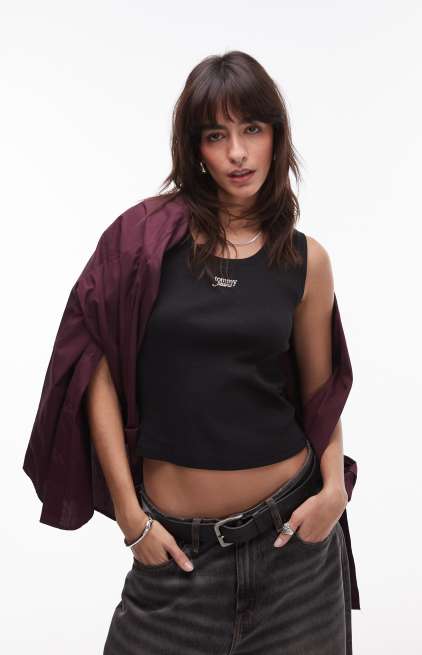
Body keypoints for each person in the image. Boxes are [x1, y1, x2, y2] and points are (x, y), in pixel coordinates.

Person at [26, 50, 358, 654]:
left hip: (294, 554)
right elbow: (94, 373)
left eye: (252, 129)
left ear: (276, 137)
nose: (237, 153)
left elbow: (321, 395)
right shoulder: (142, 243)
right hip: (176, 560)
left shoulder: (306, 261)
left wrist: (332, 490)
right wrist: (131, 519)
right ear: (195, 148)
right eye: (216, 135)